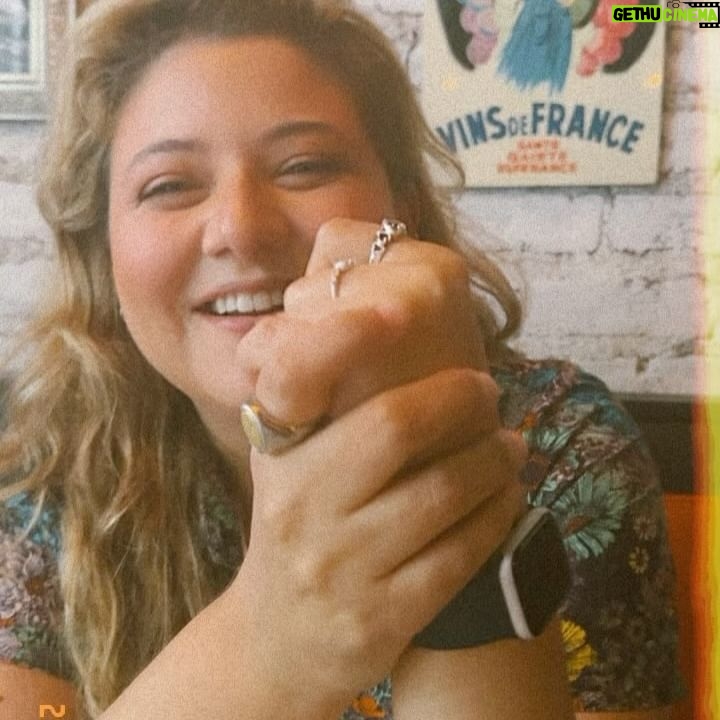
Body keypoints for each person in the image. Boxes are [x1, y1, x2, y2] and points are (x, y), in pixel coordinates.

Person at [0, 1, 683, 718]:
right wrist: (272, 638)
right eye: (169, 185)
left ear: (403, 207)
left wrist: (448, 487)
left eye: (305, 166)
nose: (240, 229)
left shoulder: (563, 446)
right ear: (102, 247)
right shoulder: (46, 479)